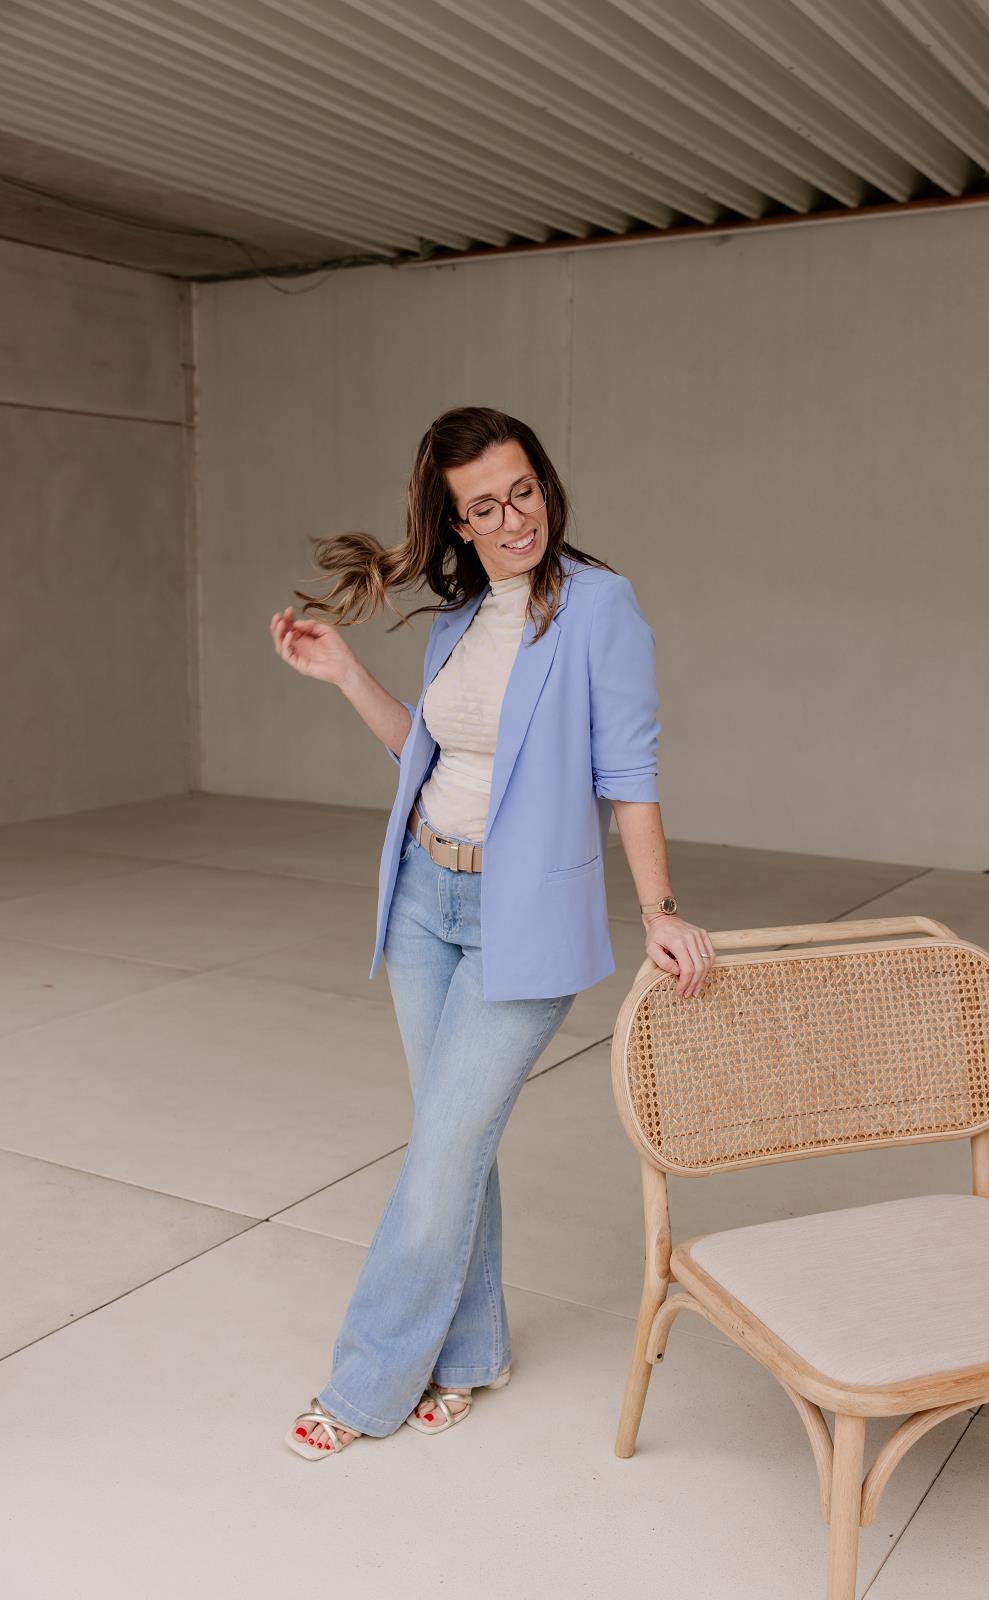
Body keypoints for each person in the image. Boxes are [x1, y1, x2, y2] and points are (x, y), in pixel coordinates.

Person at [268, 406, 715, 1458]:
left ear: (545, 486)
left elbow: (628, 769)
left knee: (439, 1157)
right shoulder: (458, 620)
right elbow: (426, 752)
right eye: (485, 507)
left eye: (524, 491)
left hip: (523, 920)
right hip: (424, 899)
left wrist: (659, 910)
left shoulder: (598, 605)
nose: (514, 519)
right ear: (455, 525)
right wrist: (346, 676)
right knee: (450, 1140)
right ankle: (471, 1354)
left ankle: (364, 1384)